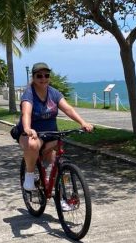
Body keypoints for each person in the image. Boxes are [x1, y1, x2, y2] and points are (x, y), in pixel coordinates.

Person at [17, 62, 93, 194]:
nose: (43, 79)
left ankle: (64, 196)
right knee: (33, 144)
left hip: (51, 134)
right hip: (32, 134)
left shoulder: (54, 93)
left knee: (58, 163)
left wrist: (82, 122)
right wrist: (28, 128)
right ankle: (29, 176)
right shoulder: (29, 94)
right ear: (33, 78)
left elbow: (68, 109)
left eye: (46, 75)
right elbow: (26, 113)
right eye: (39, 76)